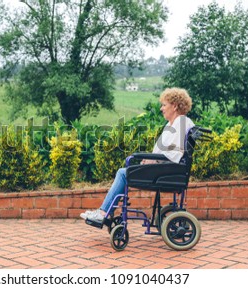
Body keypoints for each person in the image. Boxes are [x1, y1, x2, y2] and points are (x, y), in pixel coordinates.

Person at [81, 87, 195, 223]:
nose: (161, 108)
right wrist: (151, 159)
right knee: (125, 171)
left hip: (166, 172)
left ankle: (103, 212)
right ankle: (105, 212)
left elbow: (174, 153)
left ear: (175, 106)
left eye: (164, 105)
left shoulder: (181, 123)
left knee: (123, 173)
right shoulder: (176, 123)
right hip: (166, 169)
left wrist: (154, 161)